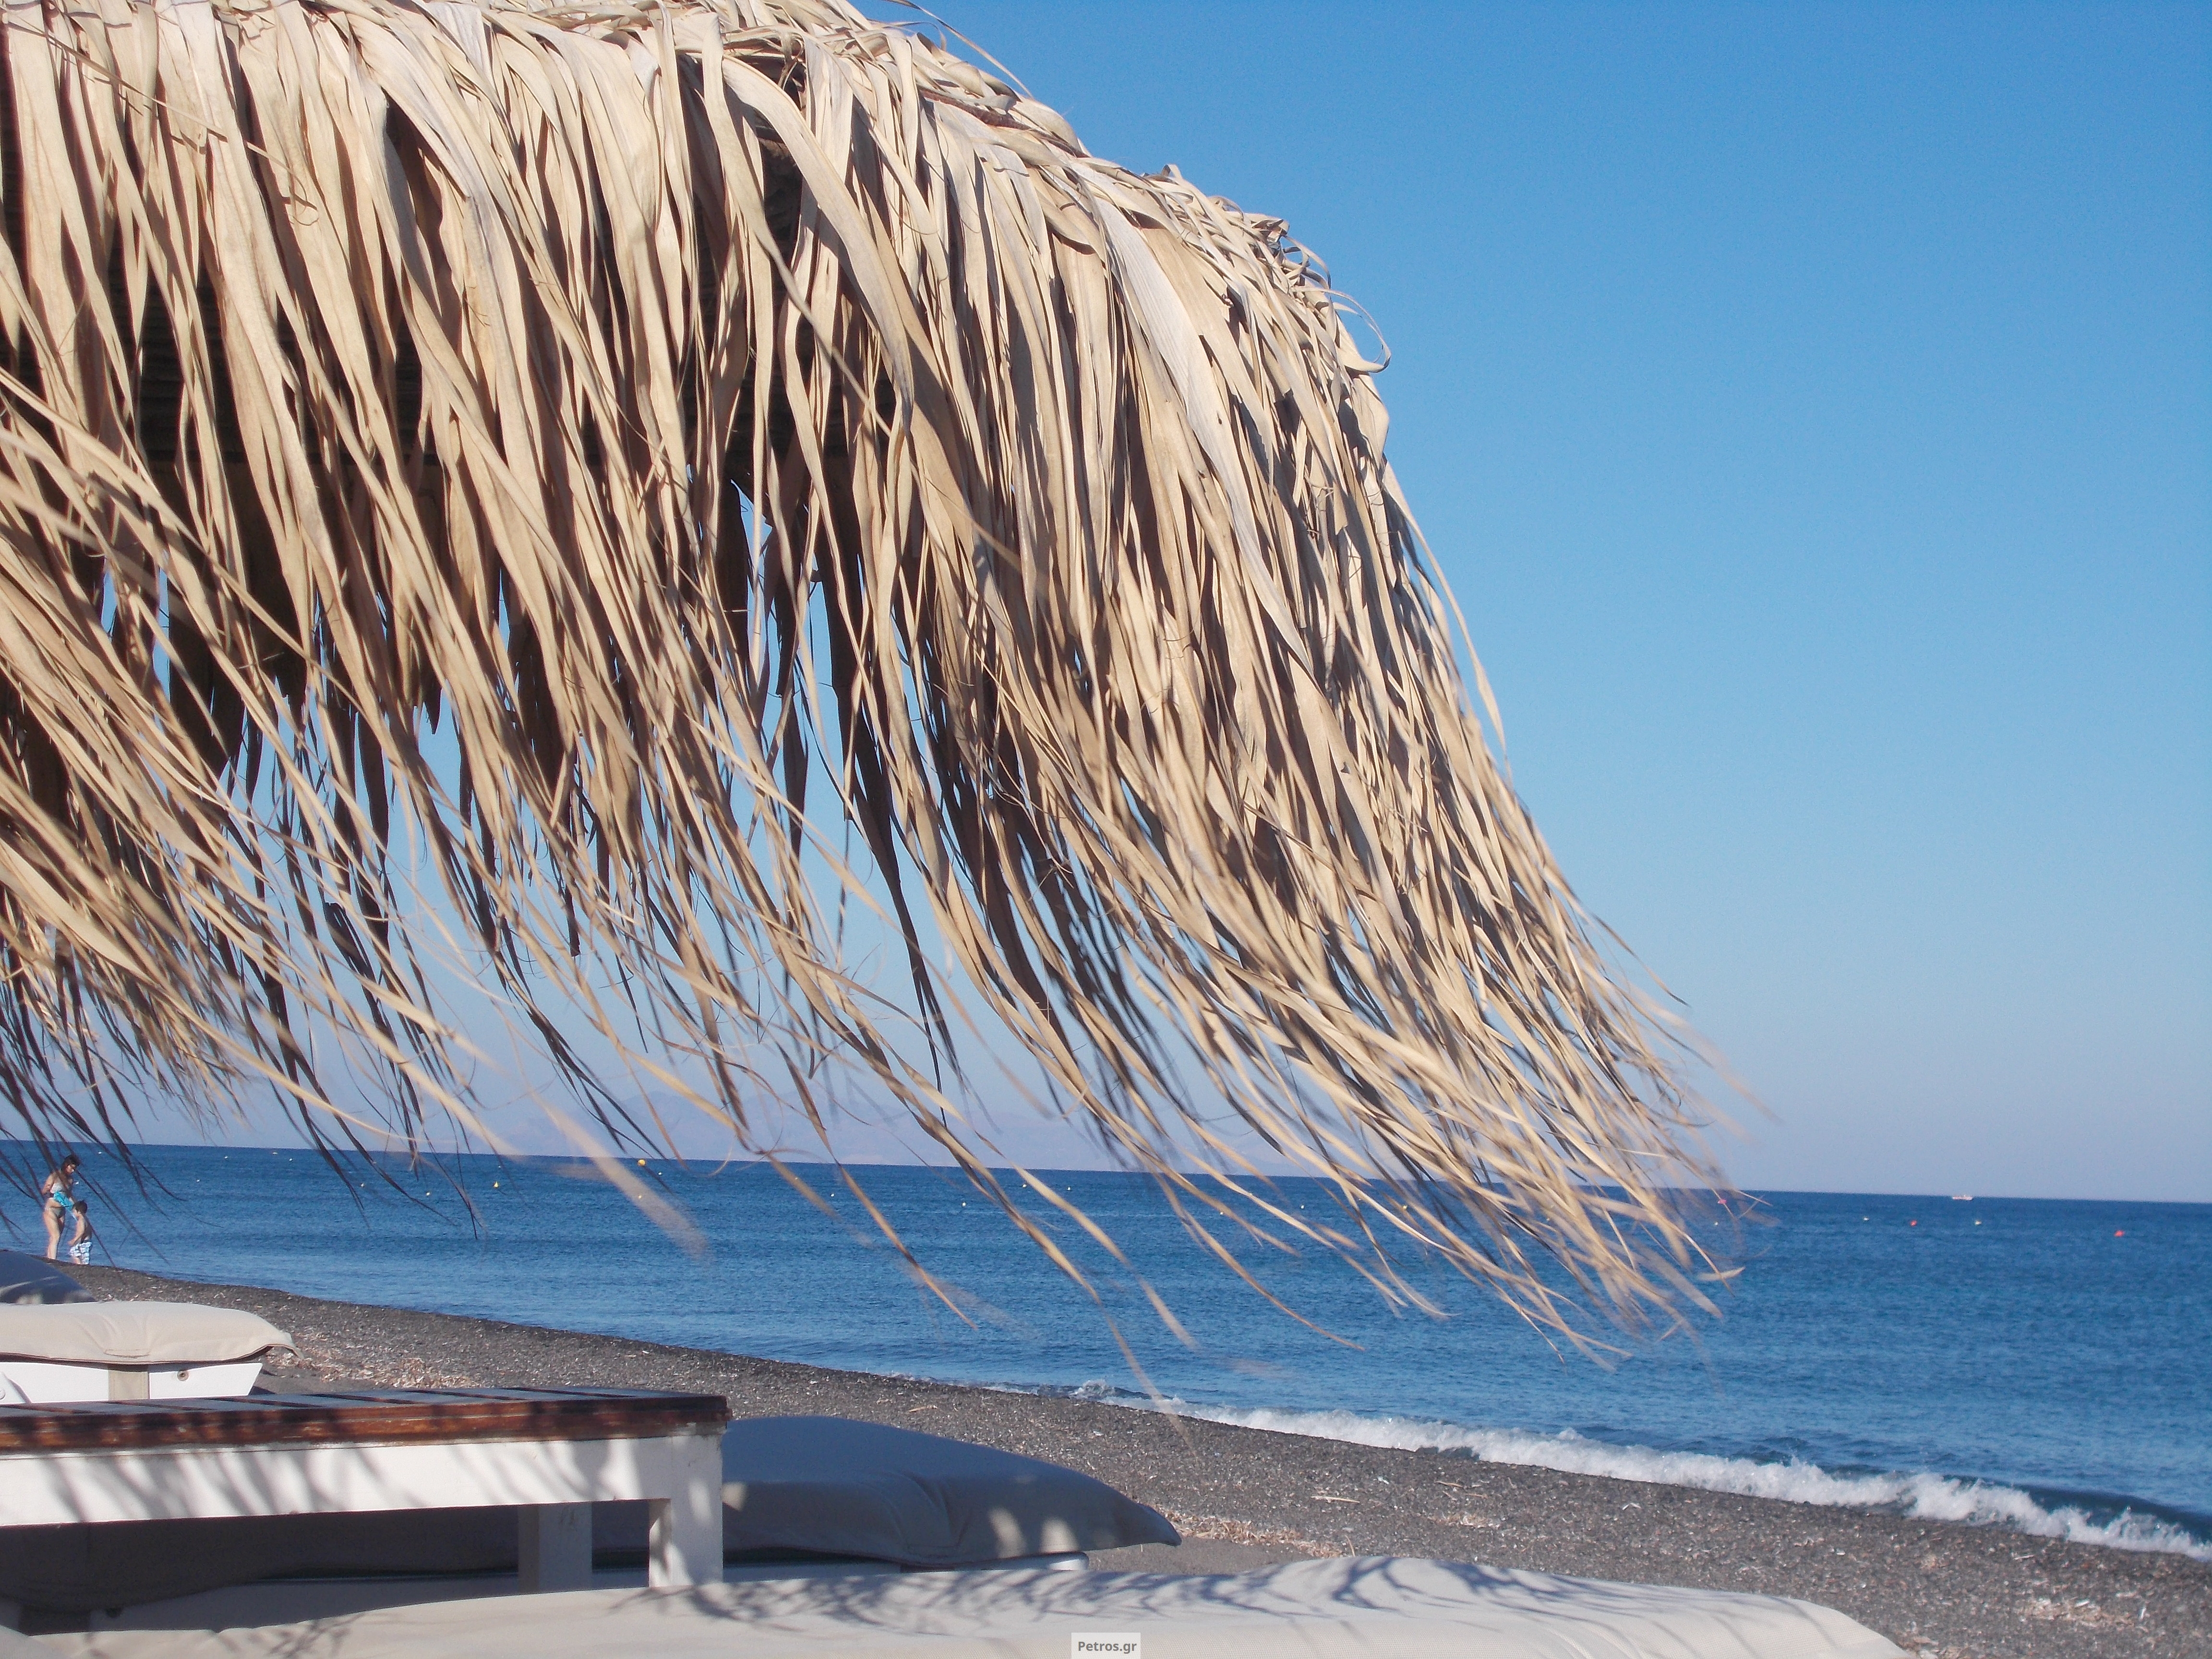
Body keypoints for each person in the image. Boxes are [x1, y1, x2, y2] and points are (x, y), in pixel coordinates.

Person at [40, 1155, 90, 1263]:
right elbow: (44, 1190)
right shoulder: (55, 1176)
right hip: (51, 1209)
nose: (72, 1171)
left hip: (62, 1211)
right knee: (56, 1236)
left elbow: (69, 1196)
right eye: (71, 1168)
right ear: (66, 1165)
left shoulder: (70, 1180)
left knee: (55, 1237)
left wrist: (77, 1207)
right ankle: (53, 1261)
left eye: (74, 1169)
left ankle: (49, 1259)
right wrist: (49, 1190)